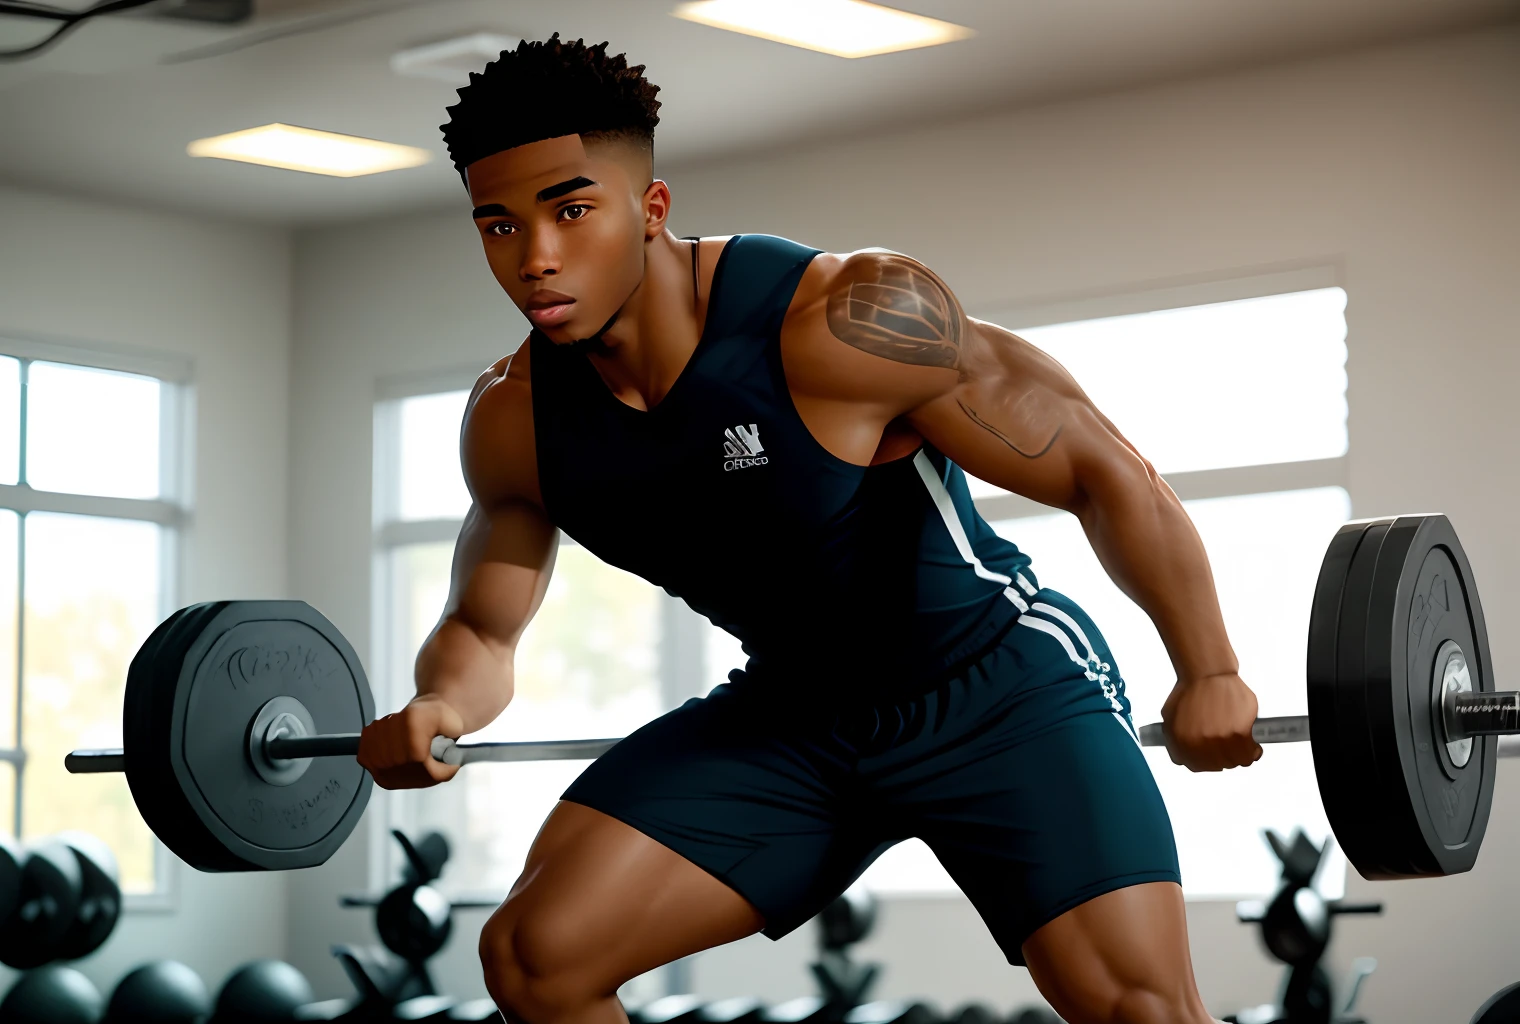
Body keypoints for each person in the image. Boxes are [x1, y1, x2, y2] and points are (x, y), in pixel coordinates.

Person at [356, 34, 1262, 1024]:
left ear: (648, 208)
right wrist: (439, 703)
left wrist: (1206, 665)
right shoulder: (514, 420)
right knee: (535, 956)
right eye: (498, 225)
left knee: (1138, 1007)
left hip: (993, 687)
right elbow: (485, 629)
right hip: (791, 719)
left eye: (572, 211)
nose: (535, 258)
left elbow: (1102, 470)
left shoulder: (844, 318)